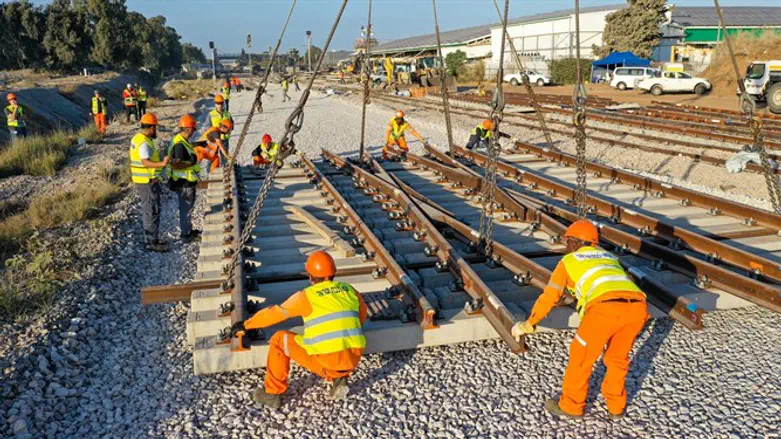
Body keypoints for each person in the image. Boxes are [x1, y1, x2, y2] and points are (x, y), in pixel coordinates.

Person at [511, 220, 648, 420]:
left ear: (574, 242)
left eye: (567, 241)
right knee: (617, 359)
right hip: (637, 307)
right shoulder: (609, 257)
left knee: (581, 357)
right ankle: (616, 407)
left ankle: (571, 406)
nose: (566, 246)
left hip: (604, 309)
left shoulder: (568, 261)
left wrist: (529, 323)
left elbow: (550, 296)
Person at [231, 250, 368, 409]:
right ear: (333, 273)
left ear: (310, 277)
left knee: (278, 339)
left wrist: (246, 325)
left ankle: (272, 394)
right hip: (353, 357)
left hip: (327, 359)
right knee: (337, 343)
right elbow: (361, 315)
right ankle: (339, 379)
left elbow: (275, 314)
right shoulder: (349, 290)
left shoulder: (306, 296)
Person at [129, 113, 170, 252]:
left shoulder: (138, 138)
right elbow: (145, 162)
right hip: (146, 182)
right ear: (151, 127)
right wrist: (162, 164)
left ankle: (153, 239)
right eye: (155, 127)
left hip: (144, 181)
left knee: (151, 210)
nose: (156, 130)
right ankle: (151, 242)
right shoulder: (144, 143)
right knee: (151, 211)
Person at [167, 114, 202, 243]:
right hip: (184, 183)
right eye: (193, 129)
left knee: (187, 208)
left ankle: (188, 230)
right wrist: (190, 163)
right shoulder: (179, 144)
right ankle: (185, 235)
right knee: (186, 208)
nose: (194, 132)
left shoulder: (181, 140)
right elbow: (176, 165)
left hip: (186, 181)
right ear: (188, 129)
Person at [209, 94, 234, 162]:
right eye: (218, 103)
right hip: (215, 139)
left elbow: (232, 124)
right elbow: (209, 127)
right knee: (213, 156)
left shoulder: (227, 114)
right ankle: (212, 171)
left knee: (224, 156)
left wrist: (230, 129)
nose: (219, 105)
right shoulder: (211, 114)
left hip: (225, 139)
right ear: (215, 104)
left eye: (221, 103)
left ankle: (224, 169)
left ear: (223, 103)